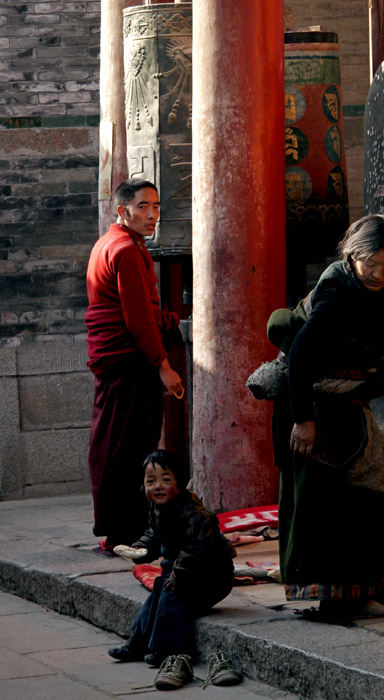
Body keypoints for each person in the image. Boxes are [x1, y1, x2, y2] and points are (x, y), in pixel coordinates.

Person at [270, 214, 384, 620]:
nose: (378, 274)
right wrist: (304, 421)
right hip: (312, 410)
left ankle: (358, 592)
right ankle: (335, 600)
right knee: (335, 503)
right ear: (353, 256)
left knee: (373, 500)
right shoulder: (337, 291)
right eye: (370, 264)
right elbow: (302, 356)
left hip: (348, 407)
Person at [85, 179, 184, 552]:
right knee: (130, 449)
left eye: (156, 207)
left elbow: (141, 310)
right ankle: (127, 530)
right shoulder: (125, 249)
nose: (151, 215)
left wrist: (169, 321)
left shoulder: (107, 244)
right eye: (142, 207)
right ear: (122, 211)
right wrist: (163, 364)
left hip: (115, 361)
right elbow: (138, 318)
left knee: (113, 444)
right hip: (130, 362)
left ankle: (117, 529)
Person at [108, 449, 237, 690]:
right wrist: (141, 549)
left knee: (171, 596)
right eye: (151, 481)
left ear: (180, 483)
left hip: (210, 577)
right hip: (183, 573)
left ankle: (167, 650)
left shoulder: (193, 514)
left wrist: (178, 574)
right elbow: (154, 536)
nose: (158, 486)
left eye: (166, 480)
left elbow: (199, 549)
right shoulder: (158, 508)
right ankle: (137, 642)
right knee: (157, 592)